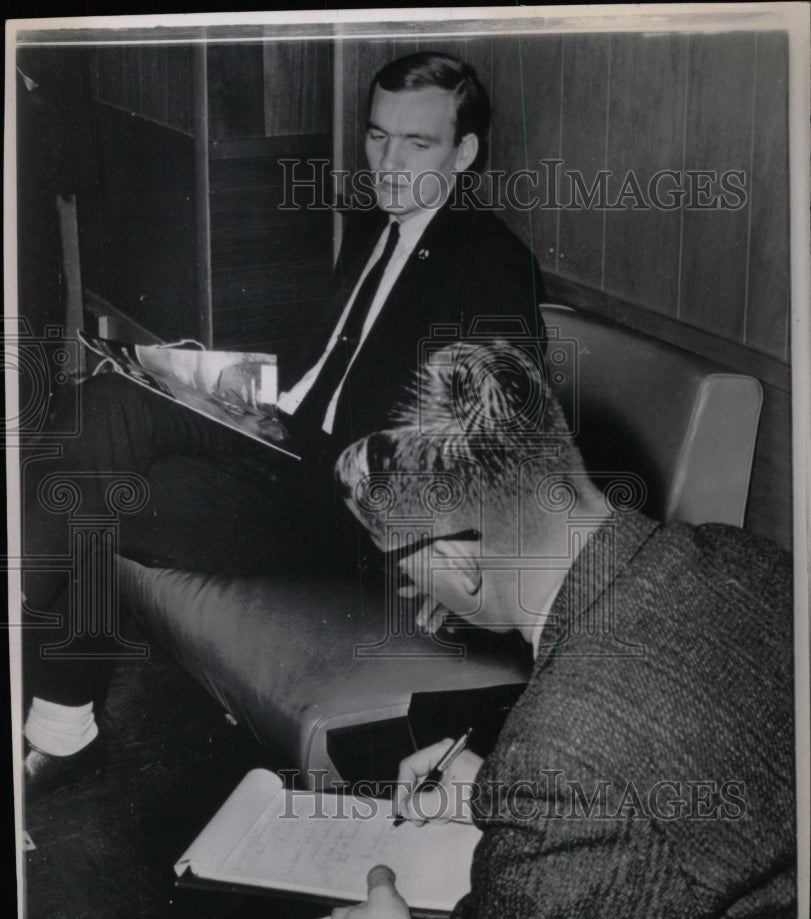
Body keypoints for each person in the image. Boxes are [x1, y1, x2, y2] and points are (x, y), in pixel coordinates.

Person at [21, 51, 545, 796]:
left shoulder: (491, 263)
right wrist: (217, 379)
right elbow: (333, 367)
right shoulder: (376, 227)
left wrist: (471, 556)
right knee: (106, 418)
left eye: (416, 143)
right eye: (376, 137)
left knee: (102, 463)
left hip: (342, 508)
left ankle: (40, 671)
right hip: (281, 442)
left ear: (464, 152)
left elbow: (502, 436)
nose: (388, 162)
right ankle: (61, 725)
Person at [328, 340, 797, 919]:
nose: (404, 584)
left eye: (396, 562)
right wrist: (523, 801)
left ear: (461, 563)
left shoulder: (568, 755)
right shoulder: (752, 560)